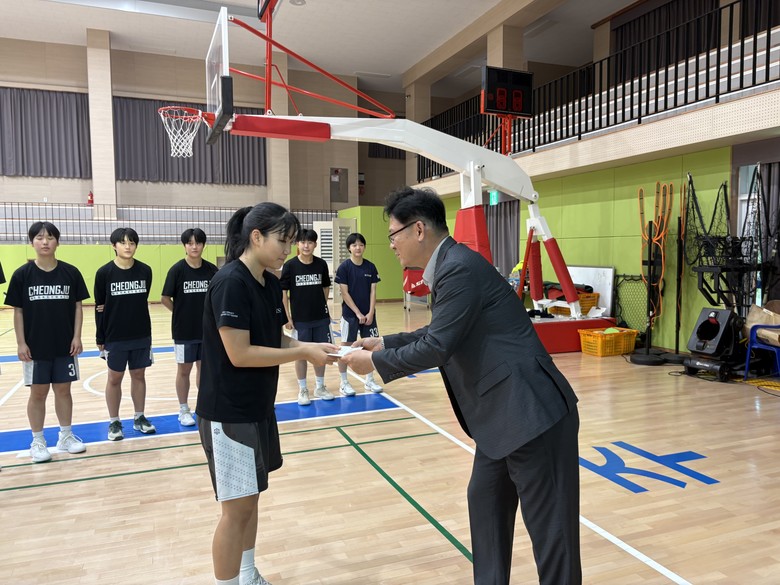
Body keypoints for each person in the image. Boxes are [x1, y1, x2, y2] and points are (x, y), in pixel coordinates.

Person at [341, 187, 582, 585]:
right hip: (500, 420)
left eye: (394, 235)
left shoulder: (458, 268)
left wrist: (375, 363)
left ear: (419, 229)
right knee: (484, 502)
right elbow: (440, 331)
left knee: (553, 537)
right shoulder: (451, 266)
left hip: (532, 415)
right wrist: (383, 343)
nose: (392, 245)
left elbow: (438, 346)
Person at [197, 203, 338, 585]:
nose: (287, 250)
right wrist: (302, 353)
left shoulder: (270, 283)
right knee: (235, 511)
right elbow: (240, 353)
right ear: (256, 237)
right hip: (228, 412)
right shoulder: (230, 282)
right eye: (282, 241)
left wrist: (311, 346)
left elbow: (275, 337)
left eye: (292, 242)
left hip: (258, 408)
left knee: (251, 498)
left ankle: (247, 574)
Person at [6, 222, 90, 463]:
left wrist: (77, 336)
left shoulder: (70, 272)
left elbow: (78, 307)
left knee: (64, 391)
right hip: (35, 347)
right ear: (31, 242)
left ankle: (65, 436)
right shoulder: (22, 275)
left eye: (50, 237)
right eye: (40, 237)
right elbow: (18, 311)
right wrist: (21, 343)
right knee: (38, 393)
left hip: (65, 345)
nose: (45, 242)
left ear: (58, 242)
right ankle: (38, 441)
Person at [94, 227, 155, 441]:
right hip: (115, 336)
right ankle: (114, 422)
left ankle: (139, 417)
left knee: (139, 375)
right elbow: (100, 307)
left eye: (132, 242)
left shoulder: (145, 270)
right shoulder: (104, 273)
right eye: (123, 242)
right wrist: (100, 337)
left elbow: (142, 299)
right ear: (114, 246)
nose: (128, 246)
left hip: (141, 334)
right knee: (114, 378)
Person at [161, 228, 219, 425]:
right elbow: (165, 298)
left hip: (207, 331)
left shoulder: (212, 270)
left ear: (203, 245)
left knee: (204, 369)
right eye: (190, 243)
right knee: (184, 370)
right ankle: (183, 409)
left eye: (198, 243)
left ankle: (203, 406)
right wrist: (179, 312)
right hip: (184, 331)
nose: (194, 247)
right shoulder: (177, 270)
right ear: (184, 246)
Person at [280, 229, 335, 406]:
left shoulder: (321, 264)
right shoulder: (290, 266)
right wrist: (287, 317)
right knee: (301, 354)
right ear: (297, 244)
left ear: (315, 244)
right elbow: (283, 292)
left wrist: (321, 304)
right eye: (303, 242)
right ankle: (303, 389)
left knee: (321, 353)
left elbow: (325, 287)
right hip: (300, 320)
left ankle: (320, 386)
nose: (306, 245)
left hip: (320, 318)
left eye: (310, 242)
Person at [334, 232, 383, 396]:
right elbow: (344, 293)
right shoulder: (344, 268)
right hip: (350, 315)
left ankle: (370, 380)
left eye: (361, 245)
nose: (358, 248)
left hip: (369, 316)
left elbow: (373, 291)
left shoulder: (371, 267)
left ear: (364, 247)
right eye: (354, 245)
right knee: (345, 348)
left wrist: (370, 312)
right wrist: (357, 313)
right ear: (349, 248)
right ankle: (344, 382)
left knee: (371, 347)